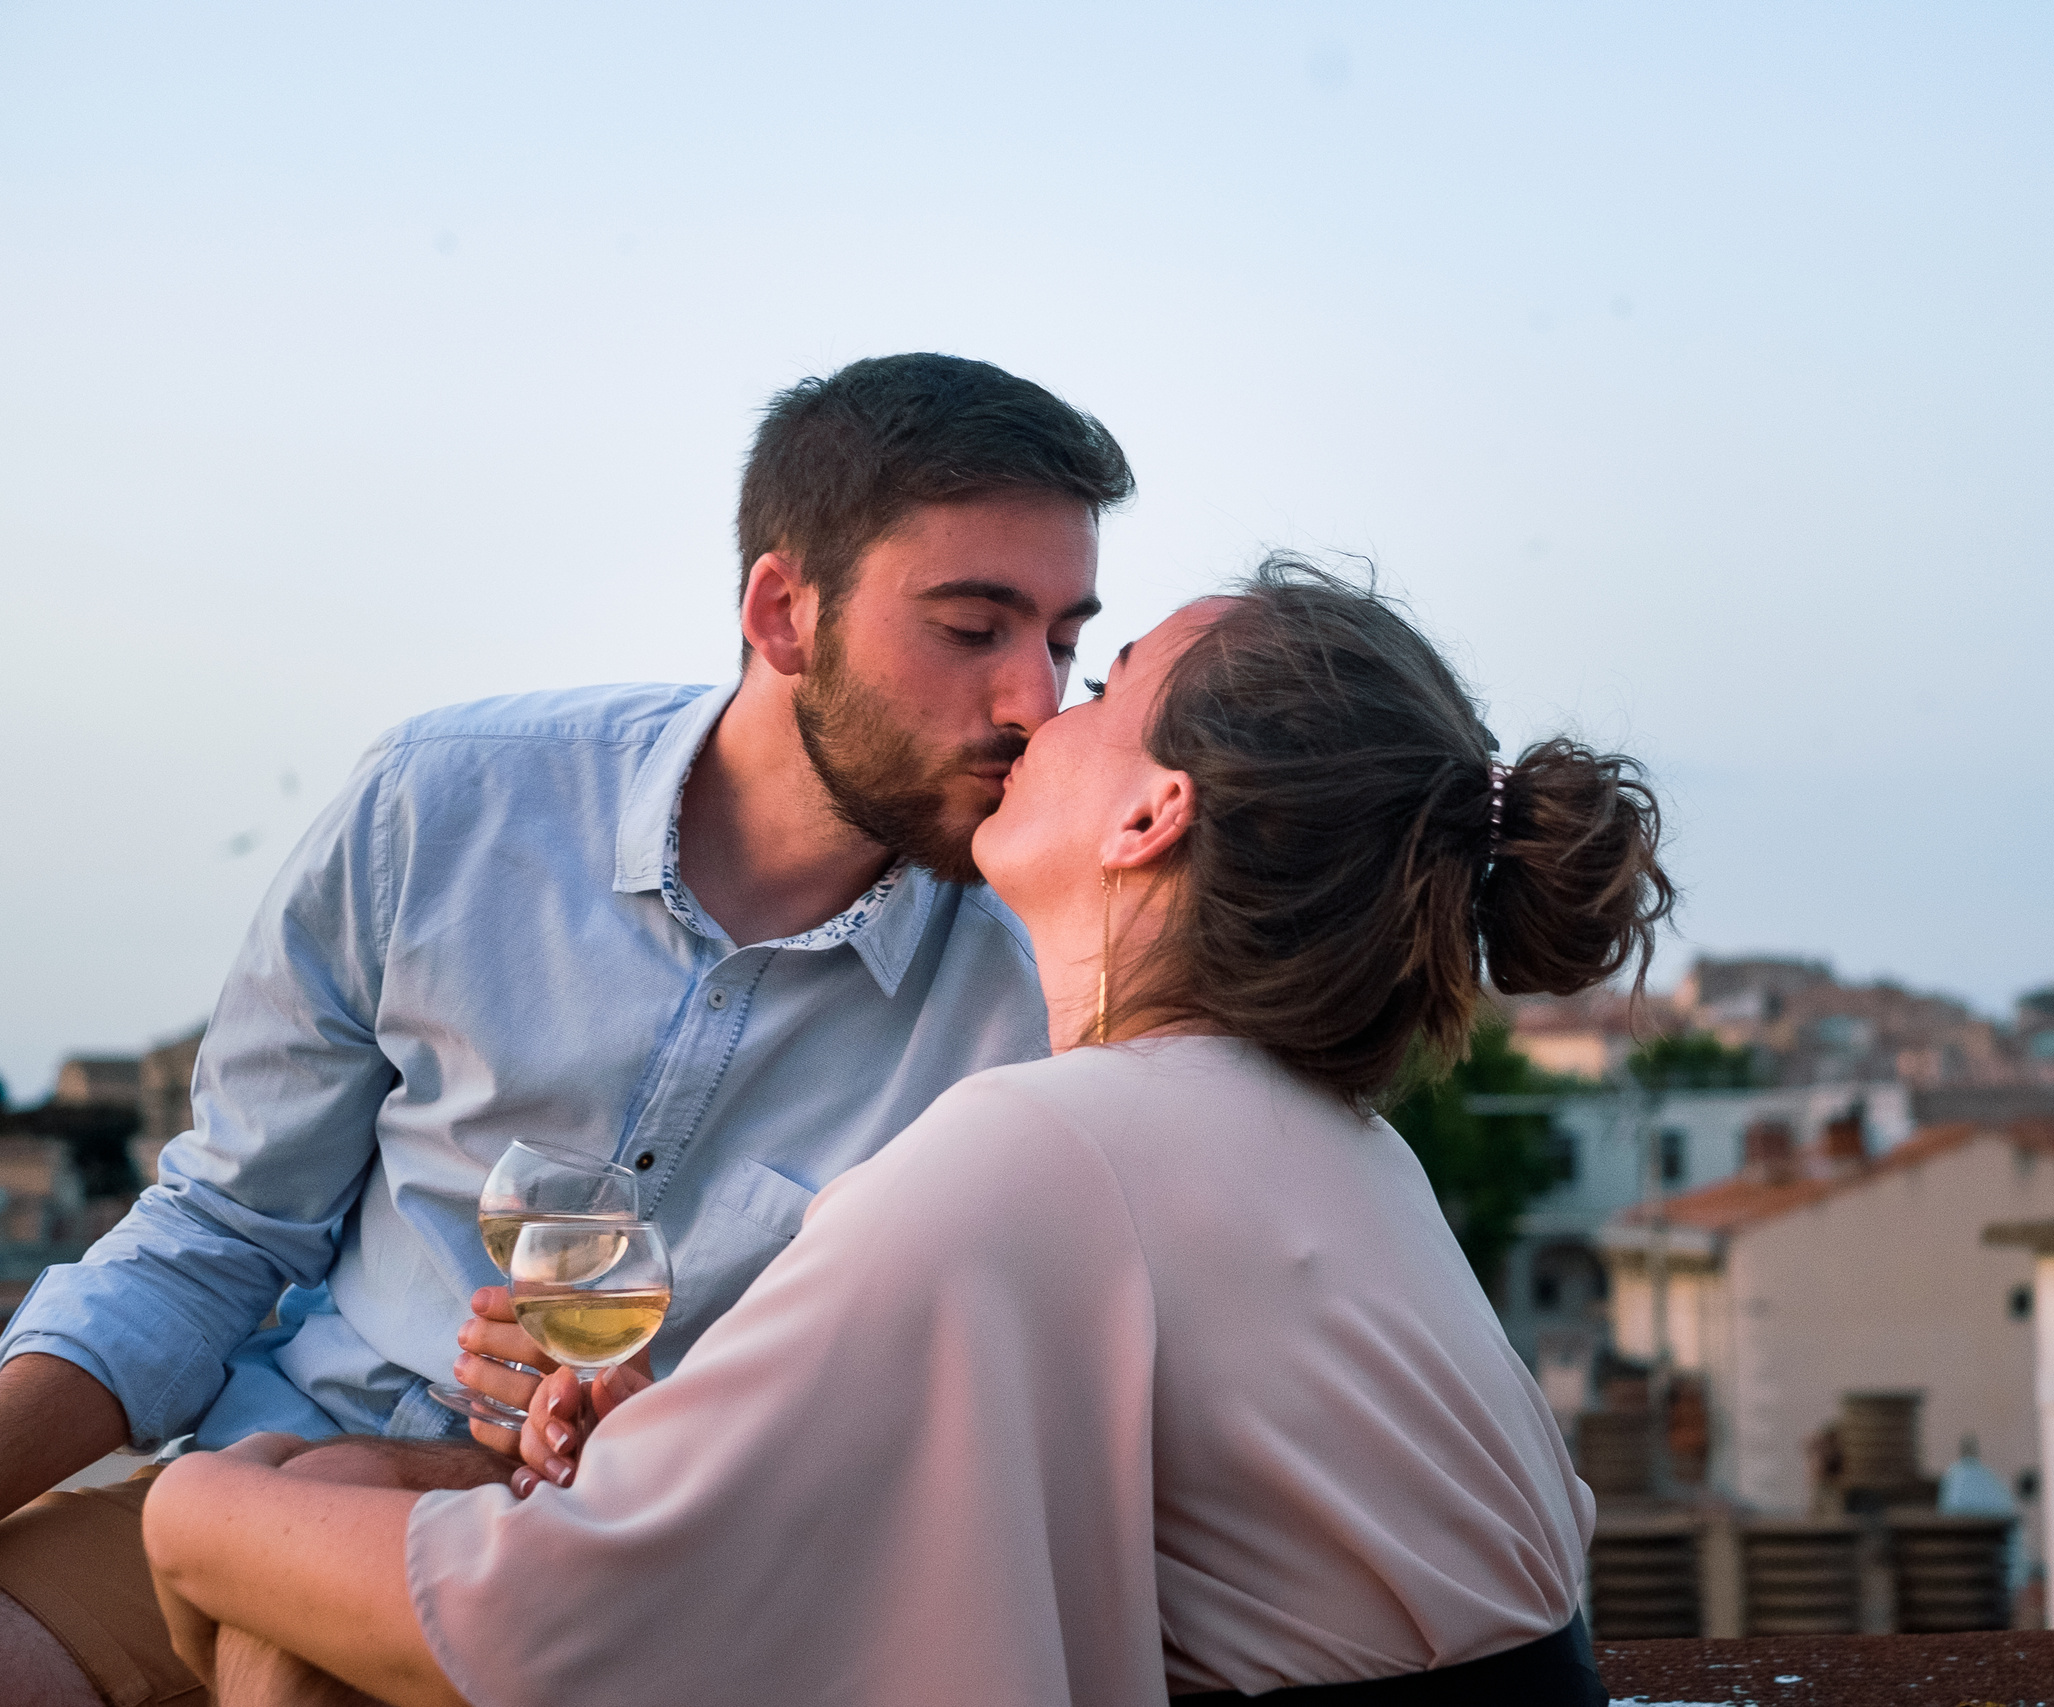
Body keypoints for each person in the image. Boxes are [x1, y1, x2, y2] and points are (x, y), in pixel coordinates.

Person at [140, 558, 1673, 1706]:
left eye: (1104, 679)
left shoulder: (1042, 1151)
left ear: (1152, 817)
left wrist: (197, 1497)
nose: (1039, 712)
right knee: (327, 1518)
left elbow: (557, 1624)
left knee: (285, 1538)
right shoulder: (1321, 1142)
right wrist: (695, 1439)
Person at [0, 353, 1133, 1707]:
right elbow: (219, 1241)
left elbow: (933, 1450)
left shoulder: (1039, 1006)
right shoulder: (443, 809)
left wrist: (654, 1423)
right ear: (784, 611)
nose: (1035, 704)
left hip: (601, 1600)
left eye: (1063, 642)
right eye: (973, 628)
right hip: (254, 1484)